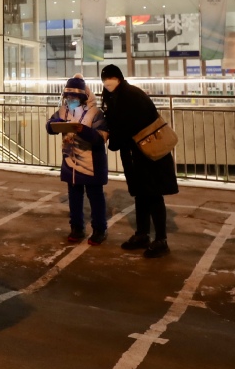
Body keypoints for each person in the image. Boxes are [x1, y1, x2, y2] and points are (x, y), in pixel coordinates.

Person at [99, 64, 178, 258]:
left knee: (153, 195)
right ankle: (142, 234)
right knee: (142, 195)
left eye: (107, 79)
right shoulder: (121, 94)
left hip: (149, 154)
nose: (106, 84)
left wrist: (112, 141)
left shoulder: (128, 96)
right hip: (138, 155)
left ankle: (161, 240)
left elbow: (124, 125)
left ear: (116, 78)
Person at [46, 73, 109, 245]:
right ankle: (77, 227)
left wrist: (83, 130)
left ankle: (99, 229)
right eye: (68, 97)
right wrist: (55, 124)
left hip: (91, 163)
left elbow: (100, 138)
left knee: (95, 197)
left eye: (74, 97)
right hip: (70, 162)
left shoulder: (96, 113)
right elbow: (49, 127)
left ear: (82, 97)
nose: (70, 100)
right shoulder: (63, 111)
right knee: (74, 197)